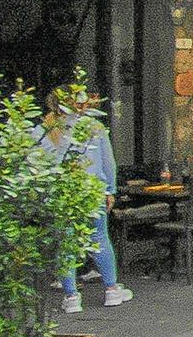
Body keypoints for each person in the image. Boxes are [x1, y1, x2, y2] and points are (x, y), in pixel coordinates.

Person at [45, 86, 131, 313]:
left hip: (63, 192)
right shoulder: (94, 127)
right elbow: (108, 163)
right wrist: (110, 190)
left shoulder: (46, 129)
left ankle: (71, 295)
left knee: (66, 242)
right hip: (92, 190)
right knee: (100, 237)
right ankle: (111, 289)